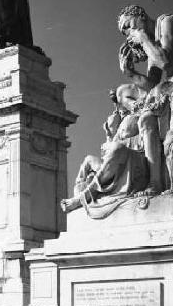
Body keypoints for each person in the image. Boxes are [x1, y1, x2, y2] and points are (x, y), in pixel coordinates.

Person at [117, 5, 173, 194]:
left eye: (128, 25)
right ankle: (155, 183)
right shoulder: (153, 44)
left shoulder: (166, 21)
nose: (128, 33)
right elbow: (151, 84)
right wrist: (130, 72)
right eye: (125, 32)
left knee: (148, 114)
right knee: (145, 119)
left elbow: (164, 60)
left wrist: (142, 38)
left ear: (140, 16)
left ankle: (163, 180)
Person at [62, 84, 149, 213]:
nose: (120, 107)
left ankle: (82, 198)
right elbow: (108, 149)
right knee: (88, 159)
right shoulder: (122, 120)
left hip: (135, 159)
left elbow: (143, 140)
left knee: (117, 148)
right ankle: (80, 198)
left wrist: (115, 142)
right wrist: (110, 132)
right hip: (116, 160)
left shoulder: (140, 116)